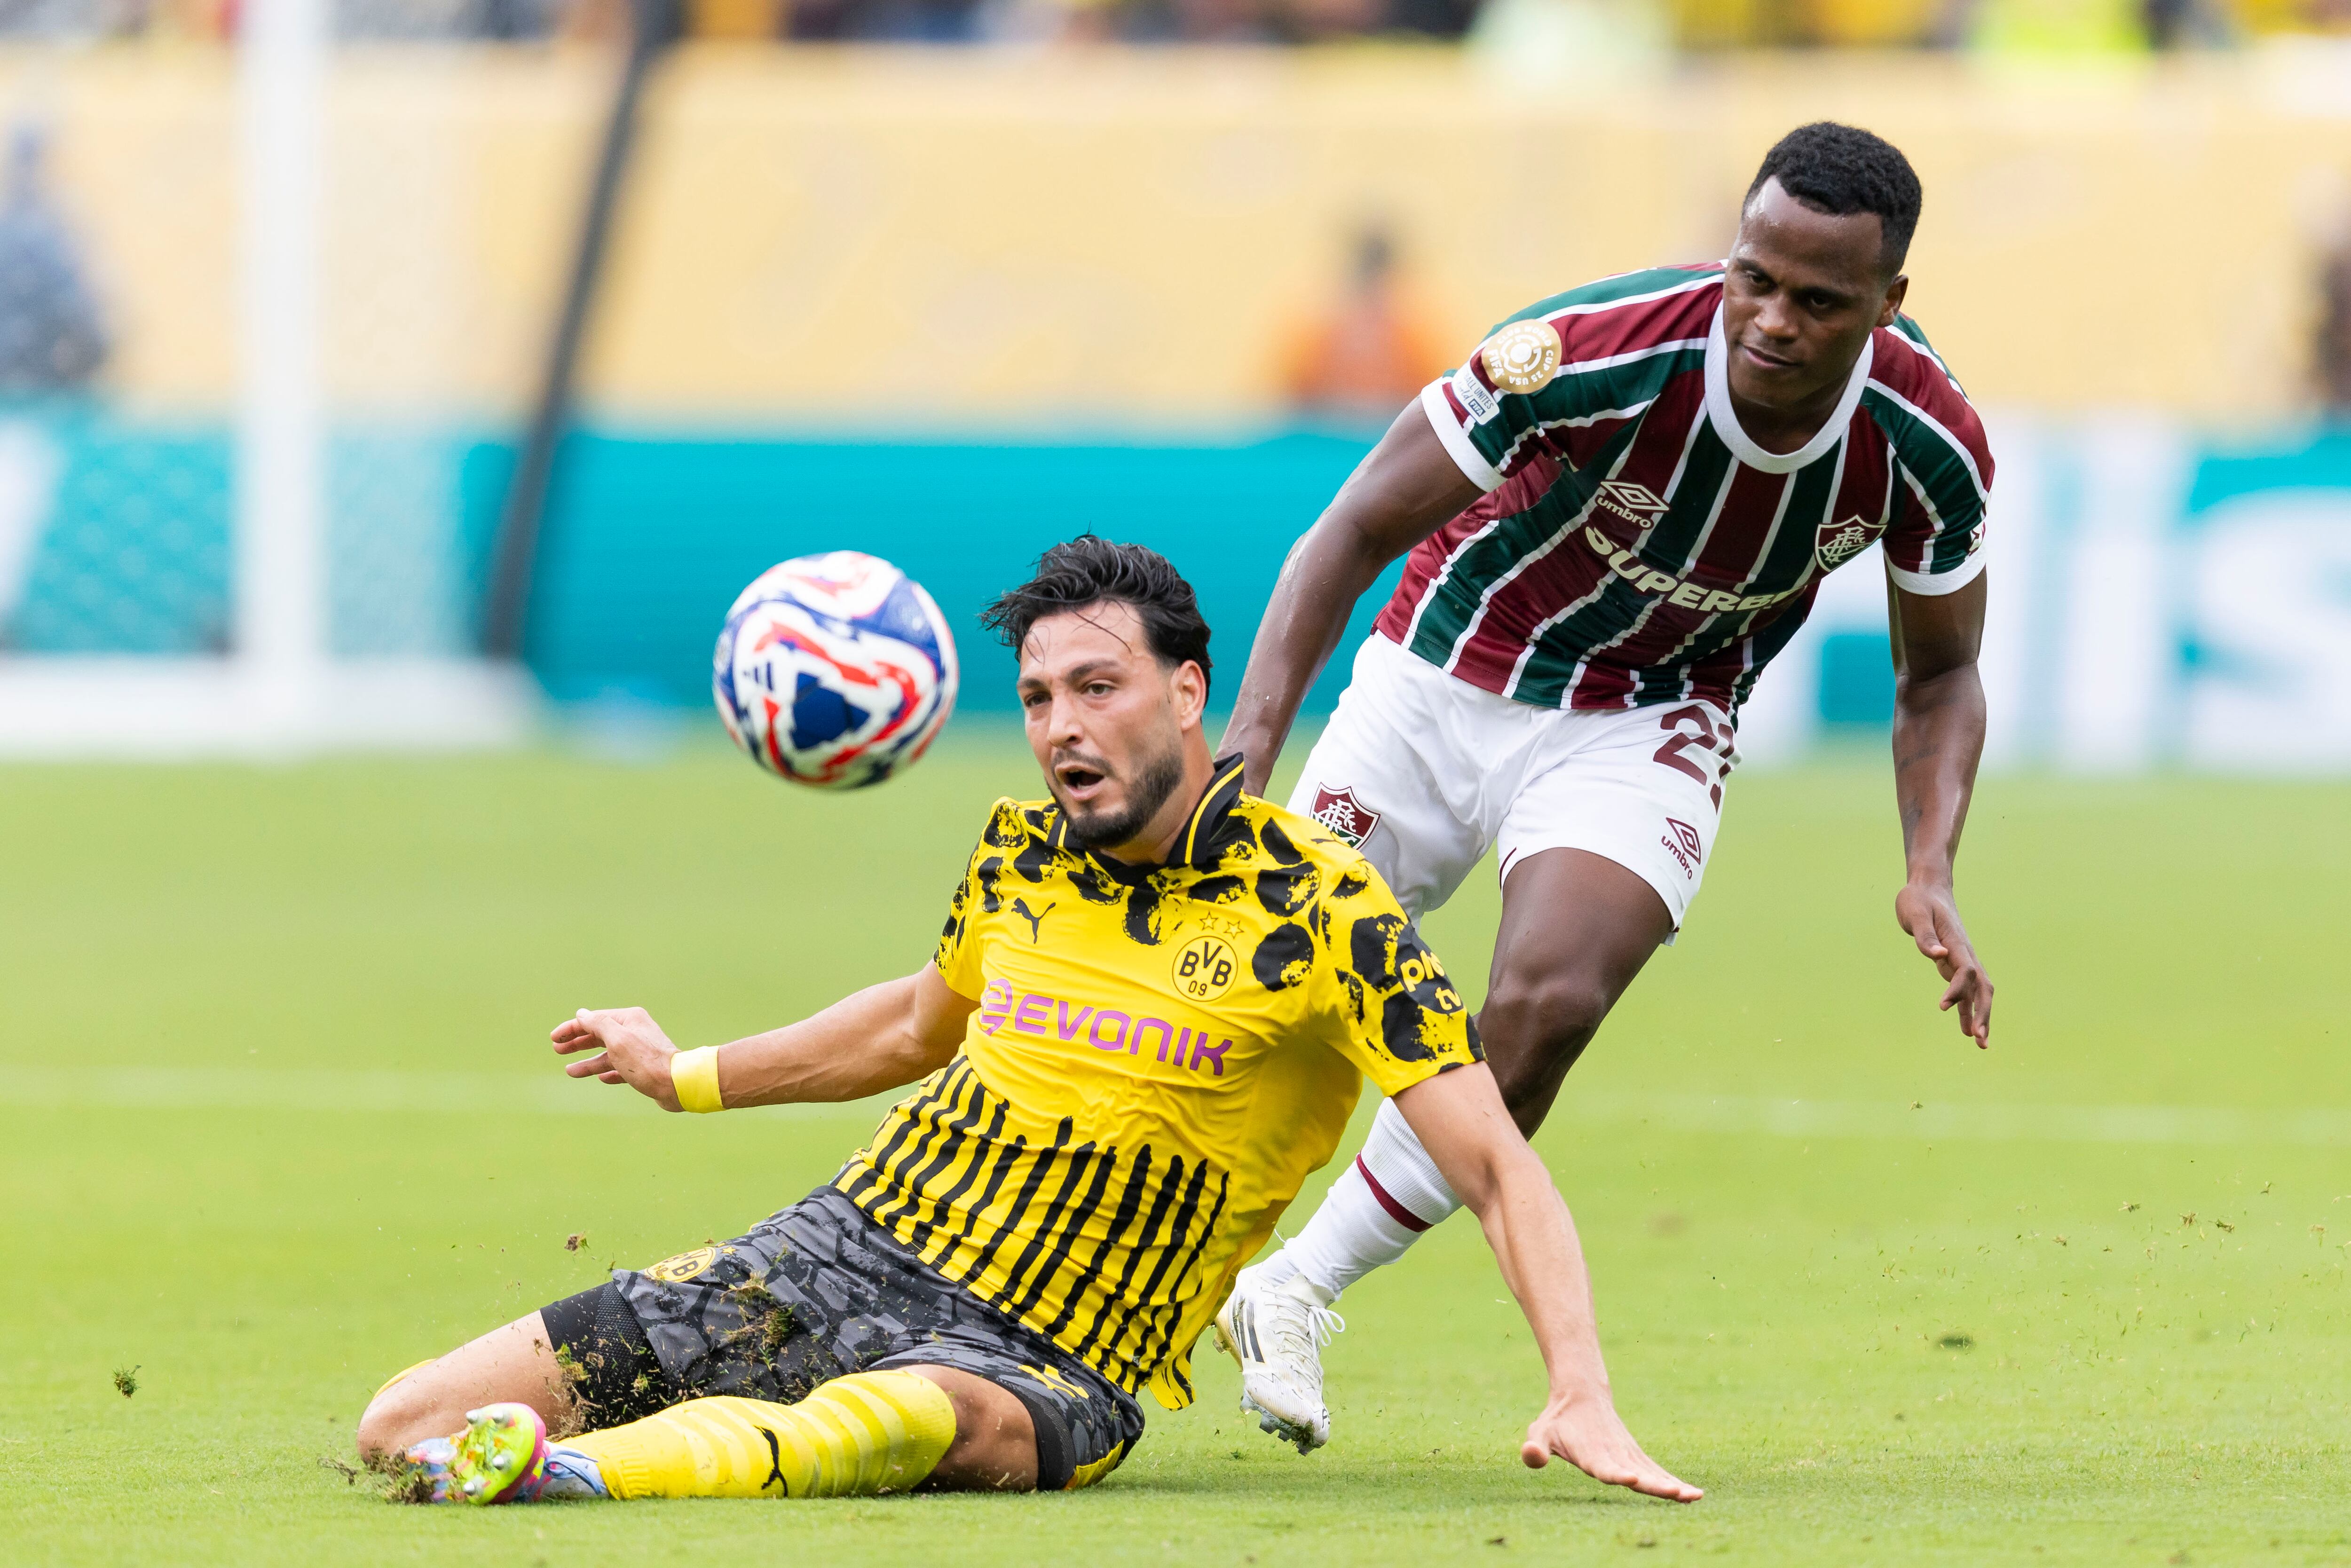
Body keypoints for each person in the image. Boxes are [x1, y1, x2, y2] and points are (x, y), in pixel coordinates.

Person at [354, 537, 1701, 1506]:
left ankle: (575, 1481)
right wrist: (683, 1071)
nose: (1062, 725)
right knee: (399, 1422)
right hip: (844, 1252)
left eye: (1098, 688)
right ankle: (563, 1443)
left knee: (910, 1421)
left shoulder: (1326, 908)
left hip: (1056, 1352)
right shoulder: (1018, 854)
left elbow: (1495, 1168)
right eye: (1040, 696)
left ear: (1189, 694)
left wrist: (1578, 1383)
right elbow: (909, 1029)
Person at [1212, 121, 1997, 1452]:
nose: (1772, 321)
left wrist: (1930, 864)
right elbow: (1350, 528)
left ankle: (1295, 1287)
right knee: (1253, 1002)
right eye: (1756, 277)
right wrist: (1249, 745)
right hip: (1443, 670)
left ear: (1889, 306)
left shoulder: (1928, 445)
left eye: (1821, 302)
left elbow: (1943, 676)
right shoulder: (1596, 349)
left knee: (1551, 996)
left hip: (1646, 719)